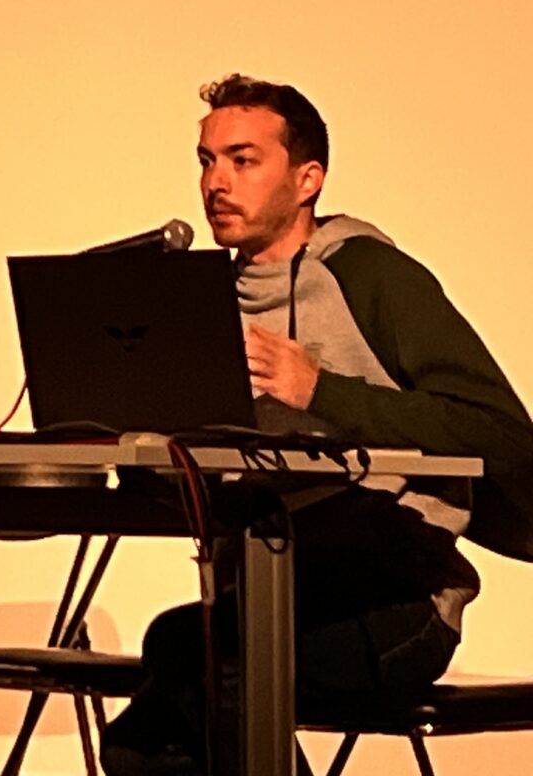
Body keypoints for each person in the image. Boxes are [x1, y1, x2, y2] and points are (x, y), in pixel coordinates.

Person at [101, 74, 533, 776]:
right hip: (264, 590)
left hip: (398, 599)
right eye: (207, 160)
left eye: (243, 160)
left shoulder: (371, 276)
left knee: (200, 655)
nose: (216, 181)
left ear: (307, 179)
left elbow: (502, 433)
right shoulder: (201, 302)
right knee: (141, 746)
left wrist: (322, 391)